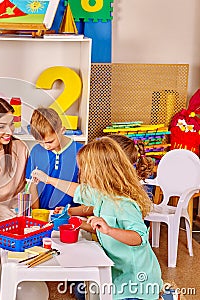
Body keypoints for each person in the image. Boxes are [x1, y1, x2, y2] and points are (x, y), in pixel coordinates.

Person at [60, 137, 163, 299]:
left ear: (101, 172)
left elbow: (139, 237)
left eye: (84, 170)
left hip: (137, 280)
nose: (81, 174)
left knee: (87, 292)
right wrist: (80, 223)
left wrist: (109, 230)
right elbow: (100, 226)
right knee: (81, 290)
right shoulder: (103, 195)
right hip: (117, 270)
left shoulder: (124, 204)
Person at [31, 134, 155, 217]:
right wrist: (70, 211)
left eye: (92, 167)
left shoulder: (125, 202)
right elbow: (92, 200)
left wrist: (48, 180)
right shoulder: (109, 189)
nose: (87, 173)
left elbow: (82, 192)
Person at [26, 107, 83, 210]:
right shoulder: (36, 151)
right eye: (40, 142)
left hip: (72, 215)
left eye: (50, 142)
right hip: (43, 215)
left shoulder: (81, 152)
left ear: (62, 130)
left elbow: (87, 193)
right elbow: (32, 186)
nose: (46, 147)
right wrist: (36, 215)